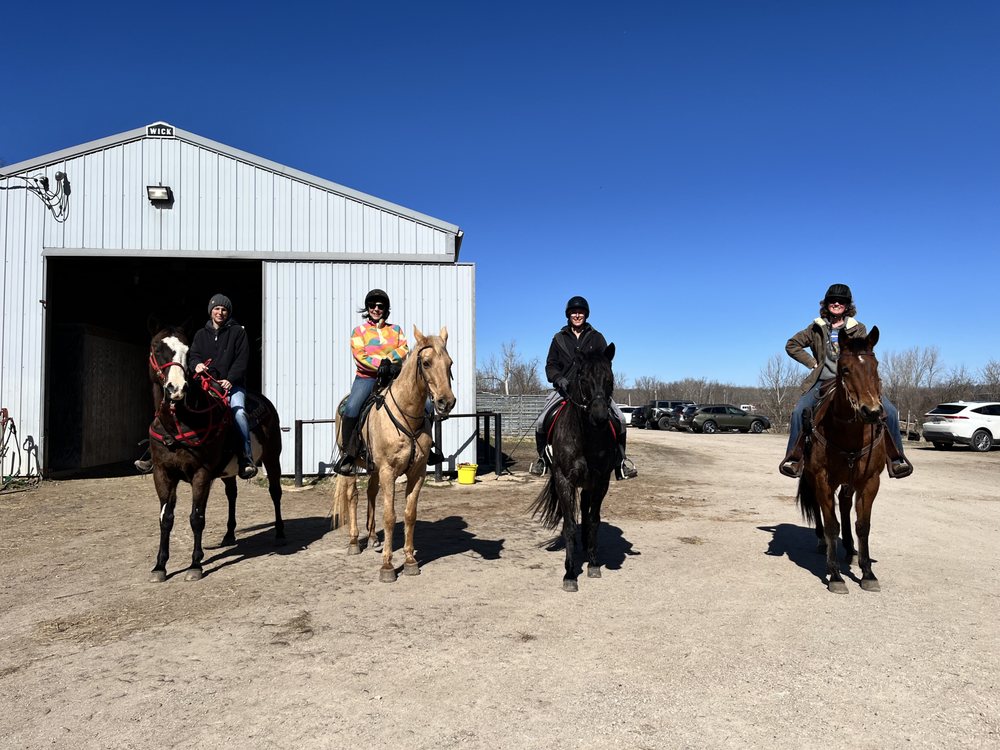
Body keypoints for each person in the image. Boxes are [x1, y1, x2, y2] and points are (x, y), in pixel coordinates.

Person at [779, 283, 913, 479]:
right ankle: (795, 458)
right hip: (823, 381)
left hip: (854, 382)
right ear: (826, 304)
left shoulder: (858, 328)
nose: (836, 303)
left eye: (841, 301)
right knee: (799, 411)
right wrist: (812, 362)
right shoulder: (816, 327)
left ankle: (896, 459)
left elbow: (863, 357)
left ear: (847, 305)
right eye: (832, 300)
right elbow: (792, 345)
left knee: (890, 412)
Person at [528, 295, 638, 480]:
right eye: (573, 312)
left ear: (585, 315)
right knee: (541, 420)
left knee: (619, 419)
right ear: (568, 315)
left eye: (580, 312)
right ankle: (542, 460)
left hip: (593, 392)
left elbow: (605, 363)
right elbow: (550, 365)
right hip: (564, 390)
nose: (577, 315)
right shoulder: (559, 339)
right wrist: (558, 378)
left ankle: (620, 462)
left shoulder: (597, 337)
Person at [333, 288, 410, 476]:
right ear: (367, 308)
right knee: (351, 408)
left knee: (425, 404)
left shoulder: (396, 330)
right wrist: (379, 365)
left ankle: (427, 448)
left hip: (393, 376)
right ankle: (349, 454)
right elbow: (360, 356)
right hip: (367, 377)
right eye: (372, 305)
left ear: (386, 309)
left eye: (380, 306)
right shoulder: (359, 332)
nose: (376, 308)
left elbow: (403, 349)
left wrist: (390, 363)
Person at [188, 293, 258, 480]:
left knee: (238, 413)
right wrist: (196, 364)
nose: (220, 312)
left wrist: (231, 379)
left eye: (224, 309)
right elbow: (192, 354)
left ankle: (246, 457)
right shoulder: (200, 334)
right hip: (207, 385)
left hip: (232, 385)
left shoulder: (238, 333)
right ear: (211, 311)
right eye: (217, 308)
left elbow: (242, 360)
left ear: (228, 313)